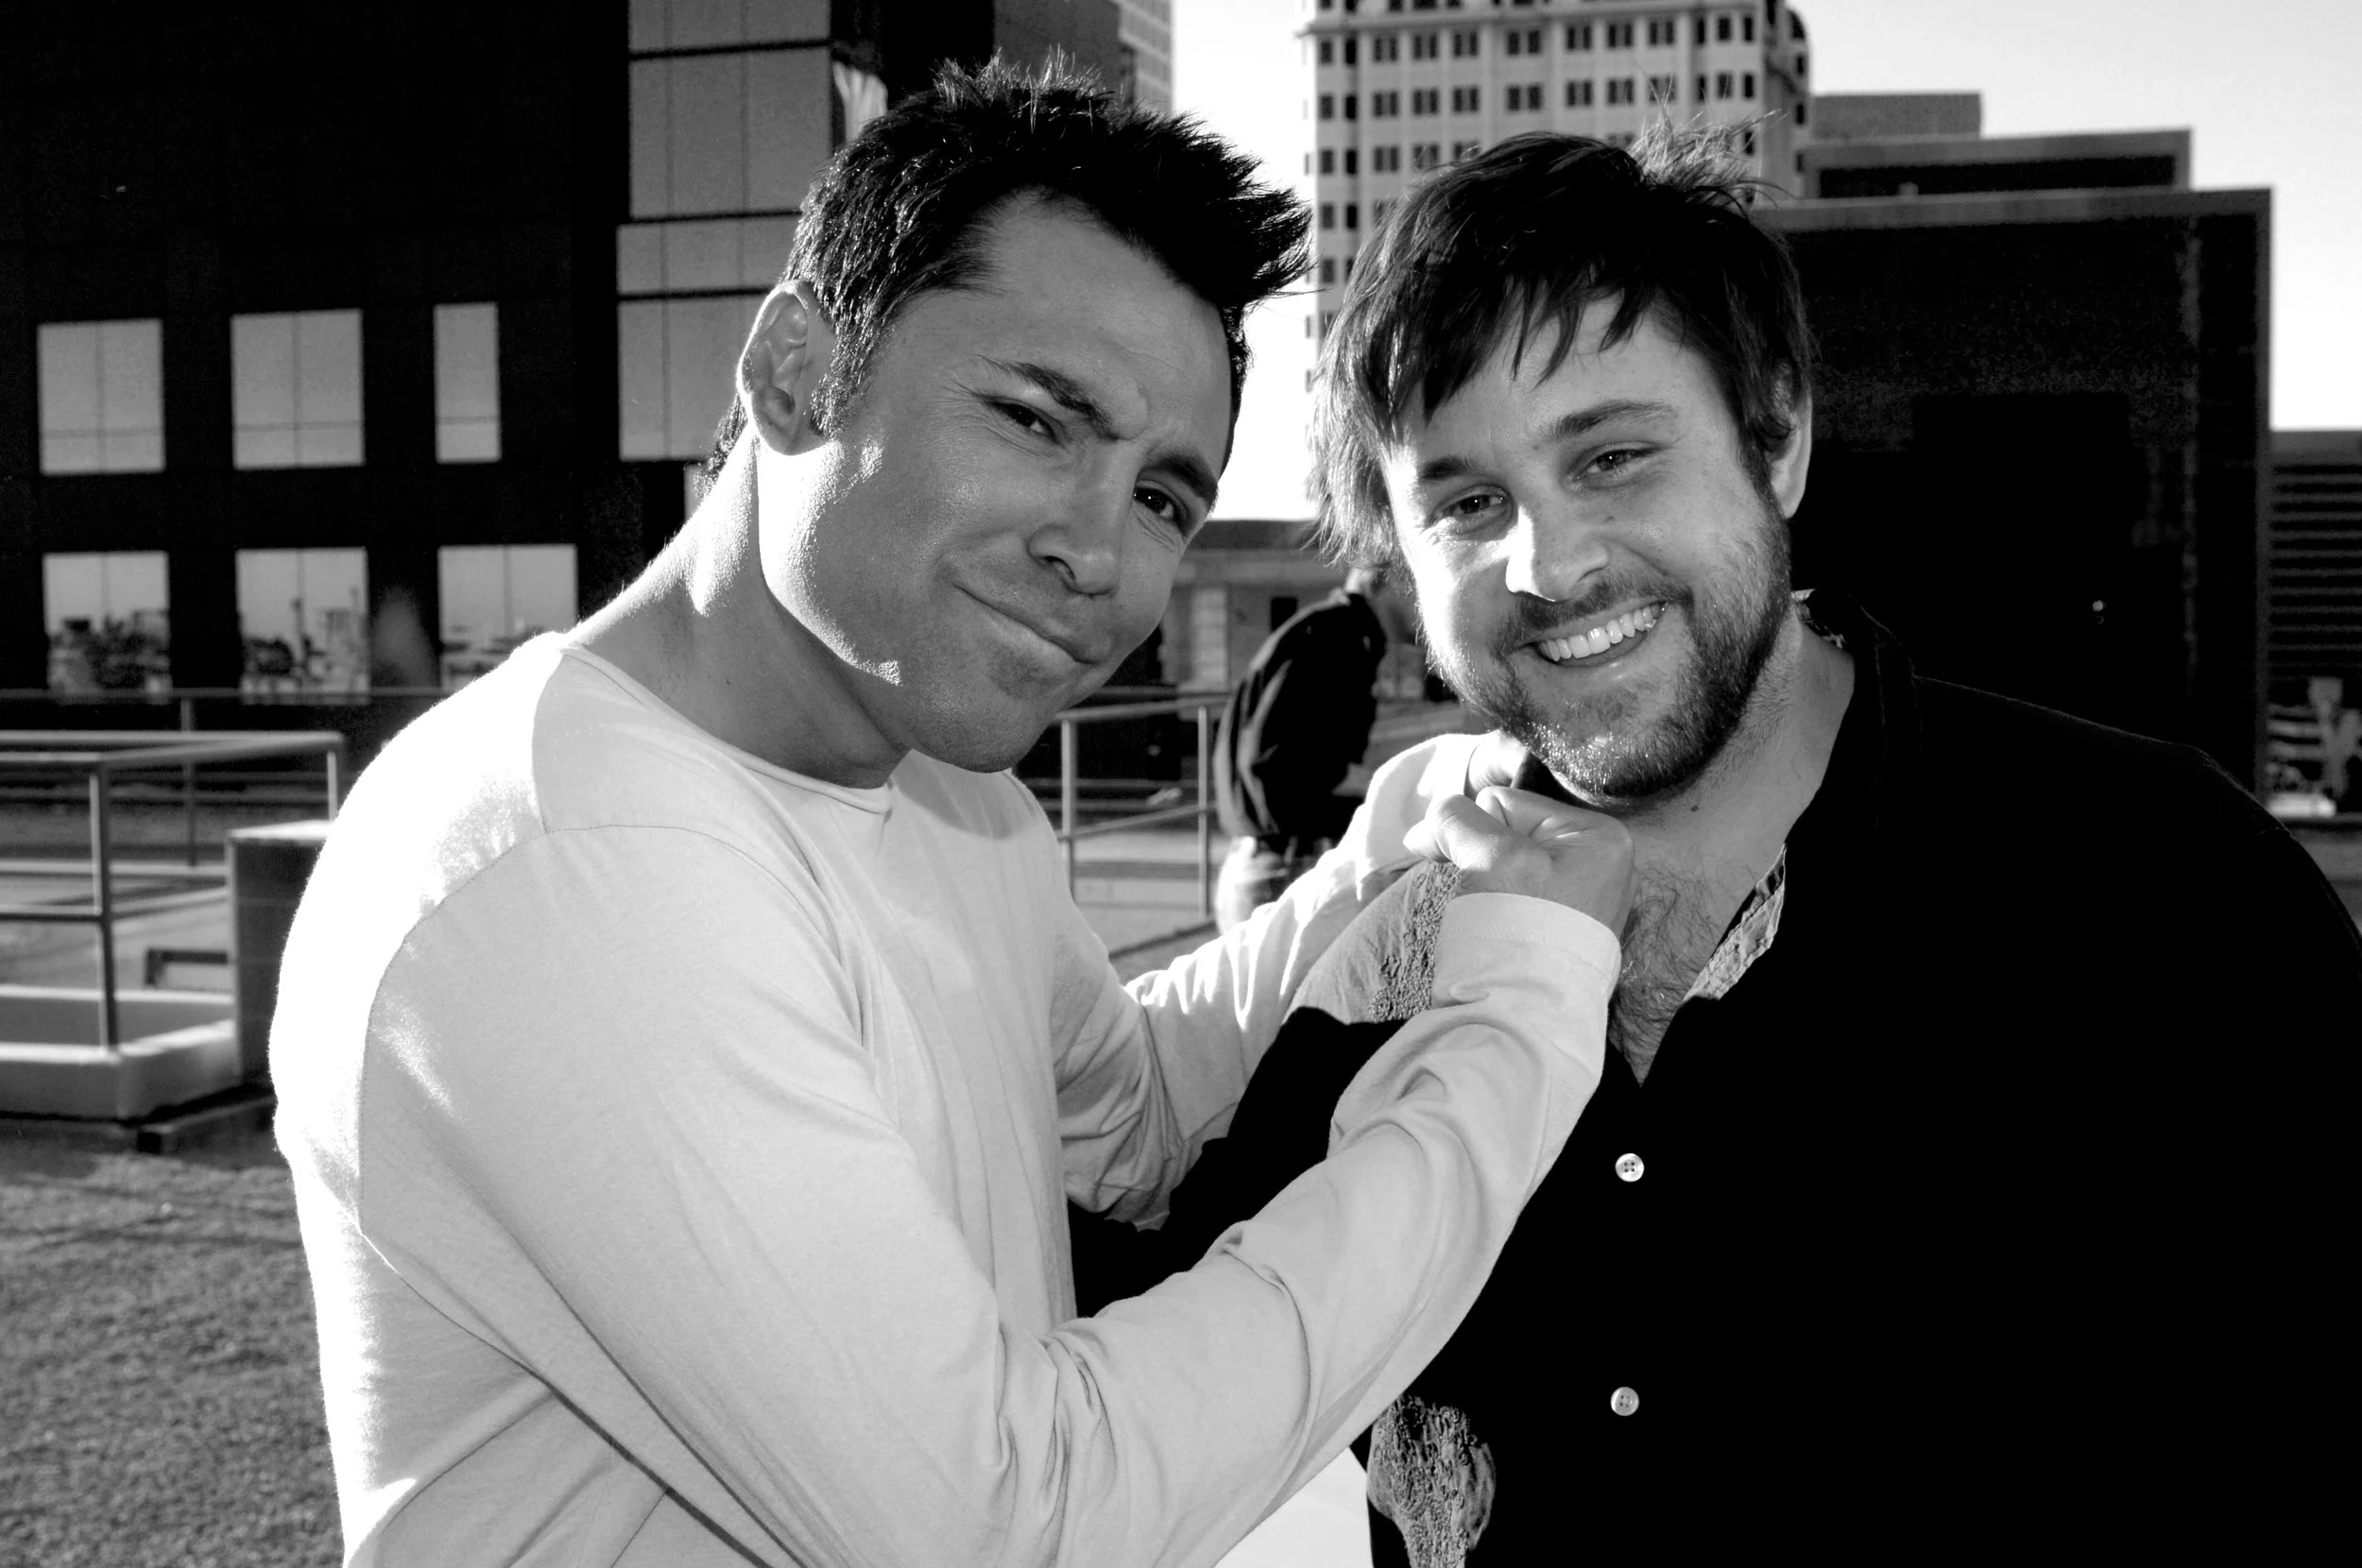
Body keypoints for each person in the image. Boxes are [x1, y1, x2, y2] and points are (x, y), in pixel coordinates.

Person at [270, 65, 1641, 1568]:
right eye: (1037, 420)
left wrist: (1383, 856)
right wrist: (1518, 1028)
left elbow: (1129, 1119)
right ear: (796, 372)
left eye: (1163, 498)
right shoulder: (572, 865)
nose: (1098, 555)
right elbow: (1006, 1521)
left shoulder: (942, 782)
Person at [1073, 128, 2362, 1558]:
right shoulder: (1383, 957)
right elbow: (1087, 1346)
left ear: (1779, 437)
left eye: (1614, 457)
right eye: (1468, 503)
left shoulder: (2162, 883)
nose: (1551, 566)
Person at [1210, 565, 1414, 930]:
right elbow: (1276, 762)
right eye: (1418, 580)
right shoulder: (1339, 635)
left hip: (1270, 865)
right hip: (1287, 871)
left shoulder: (1326, 628)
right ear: (1385, 577)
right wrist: (1384, 784)